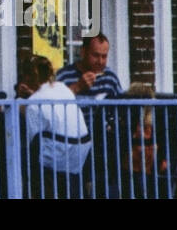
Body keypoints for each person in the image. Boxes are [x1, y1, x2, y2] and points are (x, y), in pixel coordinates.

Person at [18, 54, 90, 198]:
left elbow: (32, 139)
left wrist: (22, 105)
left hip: (59, 157)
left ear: (27, 77)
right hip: (80, 153)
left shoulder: (33, 103)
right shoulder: (62, 88)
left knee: (24, 157)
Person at [55, 34, 123, 99]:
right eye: (96, 55)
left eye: (104, 56)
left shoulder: (110, 78)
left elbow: (123, 107)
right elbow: (51, 105)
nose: (100, 61)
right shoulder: (63, 76)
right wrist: (77, 87)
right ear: (83, 52)